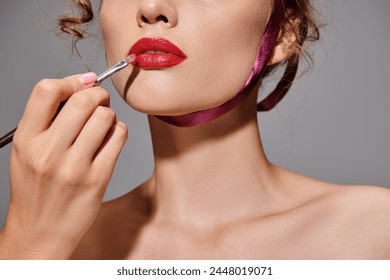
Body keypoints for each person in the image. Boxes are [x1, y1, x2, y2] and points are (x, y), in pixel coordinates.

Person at [0, 0, 389, 259]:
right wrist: (29, 245)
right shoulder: (54, 244)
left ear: (284, 31)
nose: (153, 8)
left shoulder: (376, 233)